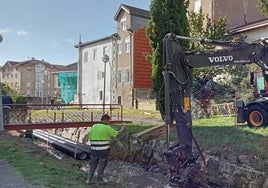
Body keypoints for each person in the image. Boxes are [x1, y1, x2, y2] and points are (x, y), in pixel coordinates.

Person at [86, 114, 125, 185]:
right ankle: (99, 181)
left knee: (93, 164)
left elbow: (90, 137)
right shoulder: (107, 127)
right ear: (105, 120)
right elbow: (117, 134)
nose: (109, 122)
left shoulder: (94, 126)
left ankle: (89, 180)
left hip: (94, 149)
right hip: (103, 150)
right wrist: (122, 128)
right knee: (102, 165)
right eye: (109, 120)